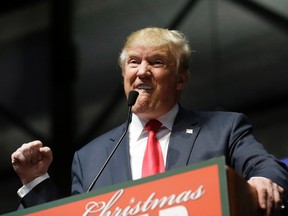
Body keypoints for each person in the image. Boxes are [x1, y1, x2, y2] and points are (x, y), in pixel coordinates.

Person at [11, 27, 288, 215]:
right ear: (124, 76)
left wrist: (263, 180)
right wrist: (35, 182)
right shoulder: (91, 158)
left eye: (156, 62)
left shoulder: (223, 129)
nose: (142, 71)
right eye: (133, 62)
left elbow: (267, 167)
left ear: (180, 79)